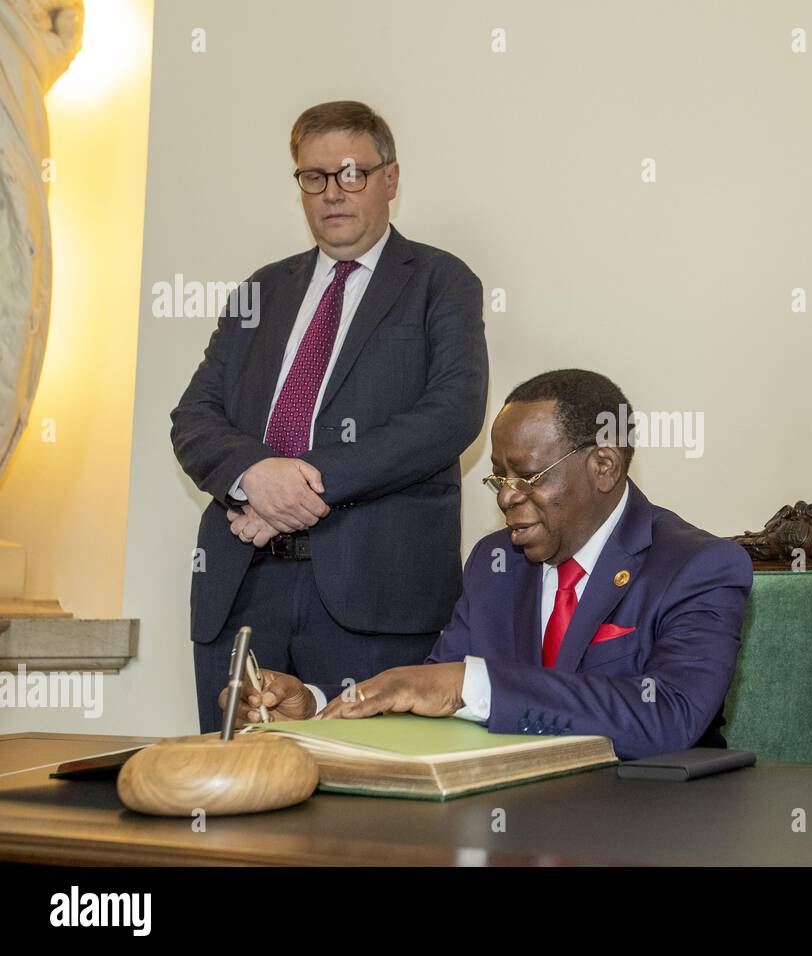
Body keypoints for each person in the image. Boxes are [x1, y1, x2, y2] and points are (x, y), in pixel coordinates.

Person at [224, 370, 753, 760]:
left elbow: (672, 715)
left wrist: (470, 685)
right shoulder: (495, 562)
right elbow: (433, 692)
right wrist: (320, 709)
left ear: (604, 465)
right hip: (506, 822)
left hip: (644, 828)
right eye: (499, 478)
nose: (507, 498)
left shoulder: (699, 565)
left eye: (527, 476)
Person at [173, 100, 488, 733]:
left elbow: (450, 416)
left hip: (375, 594)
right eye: (312, 177)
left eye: (352, 173)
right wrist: (255, 476)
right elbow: (194, 418)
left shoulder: (440, 281)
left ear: (390, 179)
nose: (332, 193)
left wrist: (296, 484)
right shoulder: (260, 291)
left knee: (368, 809)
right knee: (237, 794)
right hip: (242, 588)